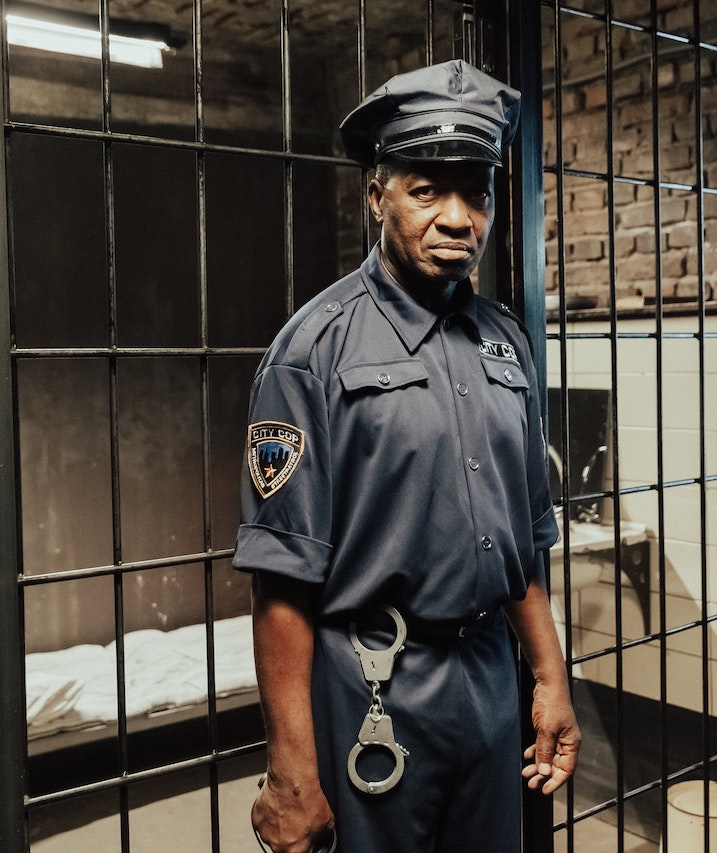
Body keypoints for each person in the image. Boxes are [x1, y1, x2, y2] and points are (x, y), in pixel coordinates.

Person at [232, 60, 581, 853]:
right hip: (374, 685)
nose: (459, 218)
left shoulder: (508, 344)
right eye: (428, 190)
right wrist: (290, 769)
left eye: (477, 192)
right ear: (377, 195)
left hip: (491, 681)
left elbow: (523, 540)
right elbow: (282, 579)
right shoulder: (312, 350)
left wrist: (552, 679)